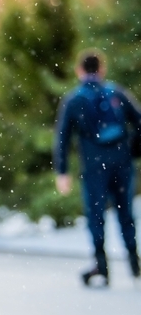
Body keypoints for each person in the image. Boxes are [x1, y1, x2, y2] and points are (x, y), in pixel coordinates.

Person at [54, 49, 141, 287]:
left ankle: (101, 267)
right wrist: (131, 151)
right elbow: (139, 122)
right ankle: (134, 263)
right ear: (102, 69)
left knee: (96, 215)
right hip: (121, 163)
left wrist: (62, 172)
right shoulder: (117, 93)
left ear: (79, 71)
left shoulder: (74, 100)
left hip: (94, 166)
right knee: (126, 214)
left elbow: (62, 138)